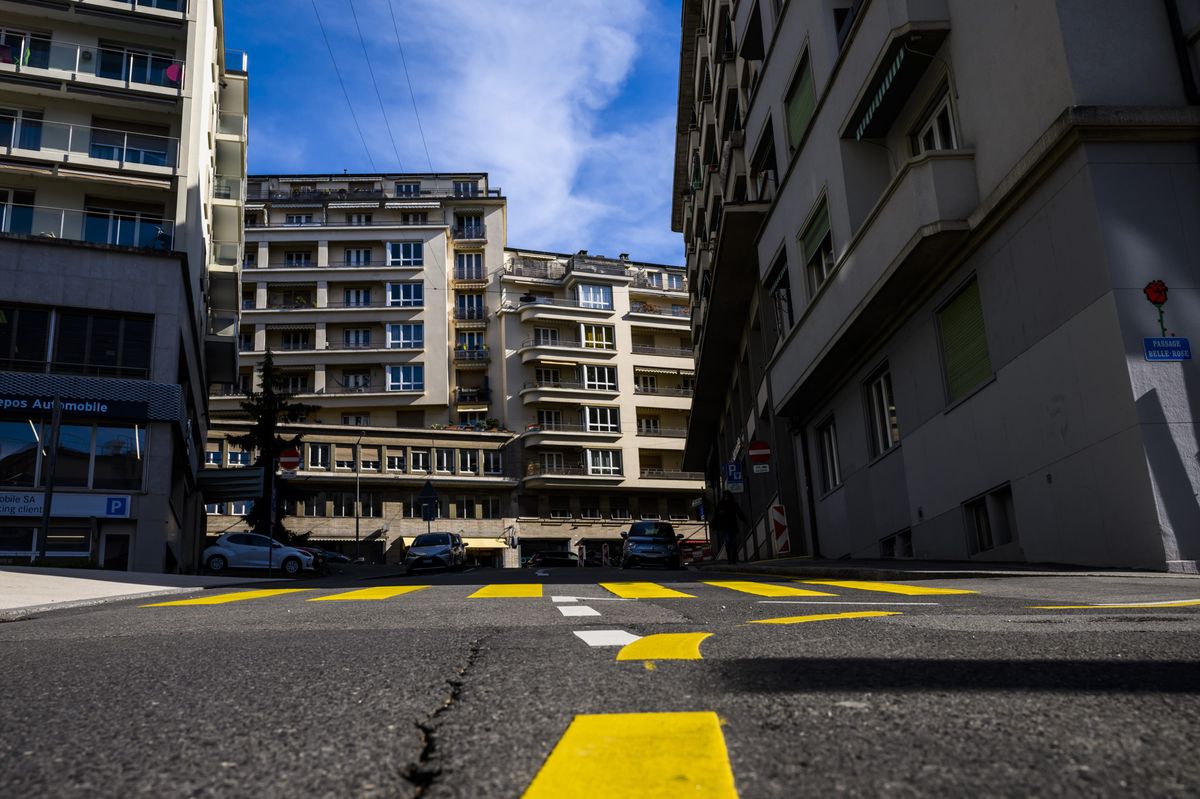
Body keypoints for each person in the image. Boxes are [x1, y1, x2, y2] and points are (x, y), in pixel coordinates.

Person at [711, 492, 746, 565]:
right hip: (726, 527)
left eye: (727, 496)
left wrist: (744, 520)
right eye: (725, 496)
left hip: (732, 526)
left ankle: (732, 559)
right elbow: (716, 515)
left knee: (732, 543)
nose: (726, 497)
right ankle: (730, 559)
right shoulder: (721, 504)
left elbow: (739, 513)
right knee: (729, 542)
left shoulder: (732, 504)